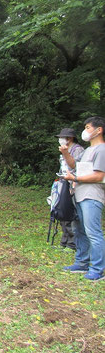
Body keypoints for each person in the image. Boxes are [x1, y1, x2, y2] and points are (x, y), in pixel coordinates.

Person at [62, 116, 105, 281]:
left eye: (88, 127)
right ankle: (81, 262)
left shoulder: (102, 150)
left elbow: (99, 176)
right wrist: (66, 153)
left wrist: (75, 179)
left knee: (93, 232)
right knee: (79, 230)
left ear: (98, 130)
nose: (85, 131)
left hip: (92, 195)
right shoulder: (88, 150)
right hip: (79, 194)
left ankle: (98, 269)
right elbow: (74, 165)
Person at [56, 128, 84, 250]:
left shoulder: (77, 150)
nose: (60, 140)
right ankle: (65, 241)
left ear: (70, 138)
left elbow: (75, 166)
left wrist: (65, 153)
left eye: (63, 137)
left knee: (70, 212)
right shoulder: (64, 150)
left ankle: (72, 243)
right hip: (63, 181)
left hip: (73, 184)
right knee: (62, 210)